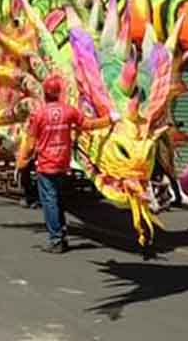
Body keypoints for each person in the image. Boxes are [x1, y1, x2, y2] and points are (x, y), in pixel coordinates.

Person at [14, 75, 115, 253]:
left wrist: (21, 162)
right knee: (58, 200)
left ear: (45, 94)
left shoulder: (39, 115)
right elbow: (88, 125)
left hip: (46, 164)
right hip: (62, 162)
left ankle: (56, 240)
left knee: (49, 201)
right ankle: (61, 235)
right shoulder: (69, 111)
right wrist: (110, 119)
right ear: (59, 93)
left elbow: (30, 142)